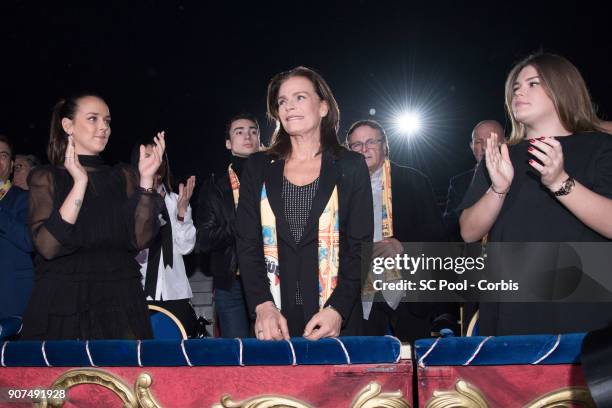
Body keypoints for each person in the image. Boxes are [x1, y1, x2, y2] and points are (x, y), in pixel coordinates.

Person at [459, 53, 612, 335]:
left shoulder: (600, 148)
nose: (519, 91)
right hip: (511, 312)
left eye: (532, 83)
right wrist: (498, 188)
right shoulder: (500, 156)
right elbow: (468, 231)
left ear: (562, 88)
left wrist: (560, 182)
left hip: (585, 314)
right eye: (515, 87)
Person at [236, 66, 373, 340]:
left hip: (334, 321)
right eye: (282, 102)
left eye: (299, 97)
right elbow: (247, 244)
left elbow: (359, 248)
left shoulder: (350, 165)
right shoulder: (258, 166)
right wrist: (262, 305)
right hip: (274, 321)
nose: (288, 107)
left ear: (323, 107)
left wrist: (338, 309)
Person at [21, 93, 165, 340]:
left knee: (122, 376)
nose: (103, 128)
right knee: (66, 378)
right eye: (93, 119)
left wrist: (147, 180)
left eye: (107, 121)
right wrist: (79, 182)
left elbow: (138, 240)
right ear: (68, 126)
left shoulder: (123, 176)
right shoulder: (46, 178)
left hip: (120, 296)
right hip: (65, 300)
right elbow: (47, 246)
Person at [346, 120, 455, 341]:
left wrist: (402, 245)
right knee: (365, 362)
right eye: (356, 145)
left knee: (414, 362)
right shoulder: (342, 186)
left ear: (385, 145)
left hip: (408, 289)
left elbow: (438, 234)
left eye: (370, 142)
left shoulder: (414, 180)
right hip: (357, 291)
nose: (364, 149)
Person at [197, 114, 260, 338]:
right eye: (239, 131)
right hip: (231, 282)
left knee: (272, 350)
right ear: (228, 143)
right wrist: (240, 224)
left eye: (253, 131)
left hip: (271, 277)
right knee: (238, 353)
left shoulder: (275, 177)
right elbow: (203, 240)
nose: (247, 136)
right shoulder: (214, 186)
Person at [132, 141, 198, 337]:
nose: (155, 161)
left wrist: (181, 213)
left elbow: (186, 248)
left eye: (159, 157)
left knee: (177, 354)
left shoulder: (177, 200)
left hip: (174, 289)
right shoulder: (129, 201)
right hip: (137, 289)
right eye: (148, 156)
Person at [443, 121, 504, 241]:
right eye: (478, 142)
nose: (485, 147)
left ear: (505, 143)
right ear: (471, 146)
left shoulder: (518, 178)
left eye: (491, 140)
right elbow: (449, 226)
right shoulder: (458, 183)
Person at [0, 135, 34, 319]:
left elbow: (29, 241)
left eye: (3, 155)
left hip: (10, 305)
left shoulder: (26, 199)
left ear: (11, 165)